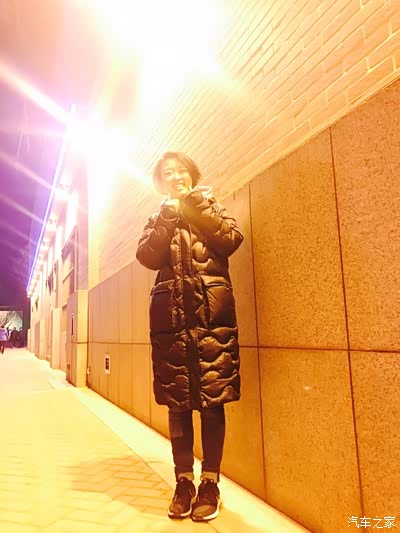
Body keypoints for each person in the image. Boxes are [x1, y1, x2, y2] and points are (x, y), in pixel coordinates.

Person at [136, 151, 243, 522]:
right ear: (160, 181)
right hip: (172, 326)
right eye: (168, 173)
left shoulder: (210, 206)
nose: (175, 177)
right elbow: (147, 257)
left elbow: (231, 240)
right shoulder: (157, 218)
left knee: (212, 403)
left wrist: (196, 205)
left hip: (212, 323)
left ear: (192, 176)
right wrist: (168, 215)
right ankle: (183, 482)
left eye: (181, 171)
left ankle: (210, 483)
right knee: (178, 404)